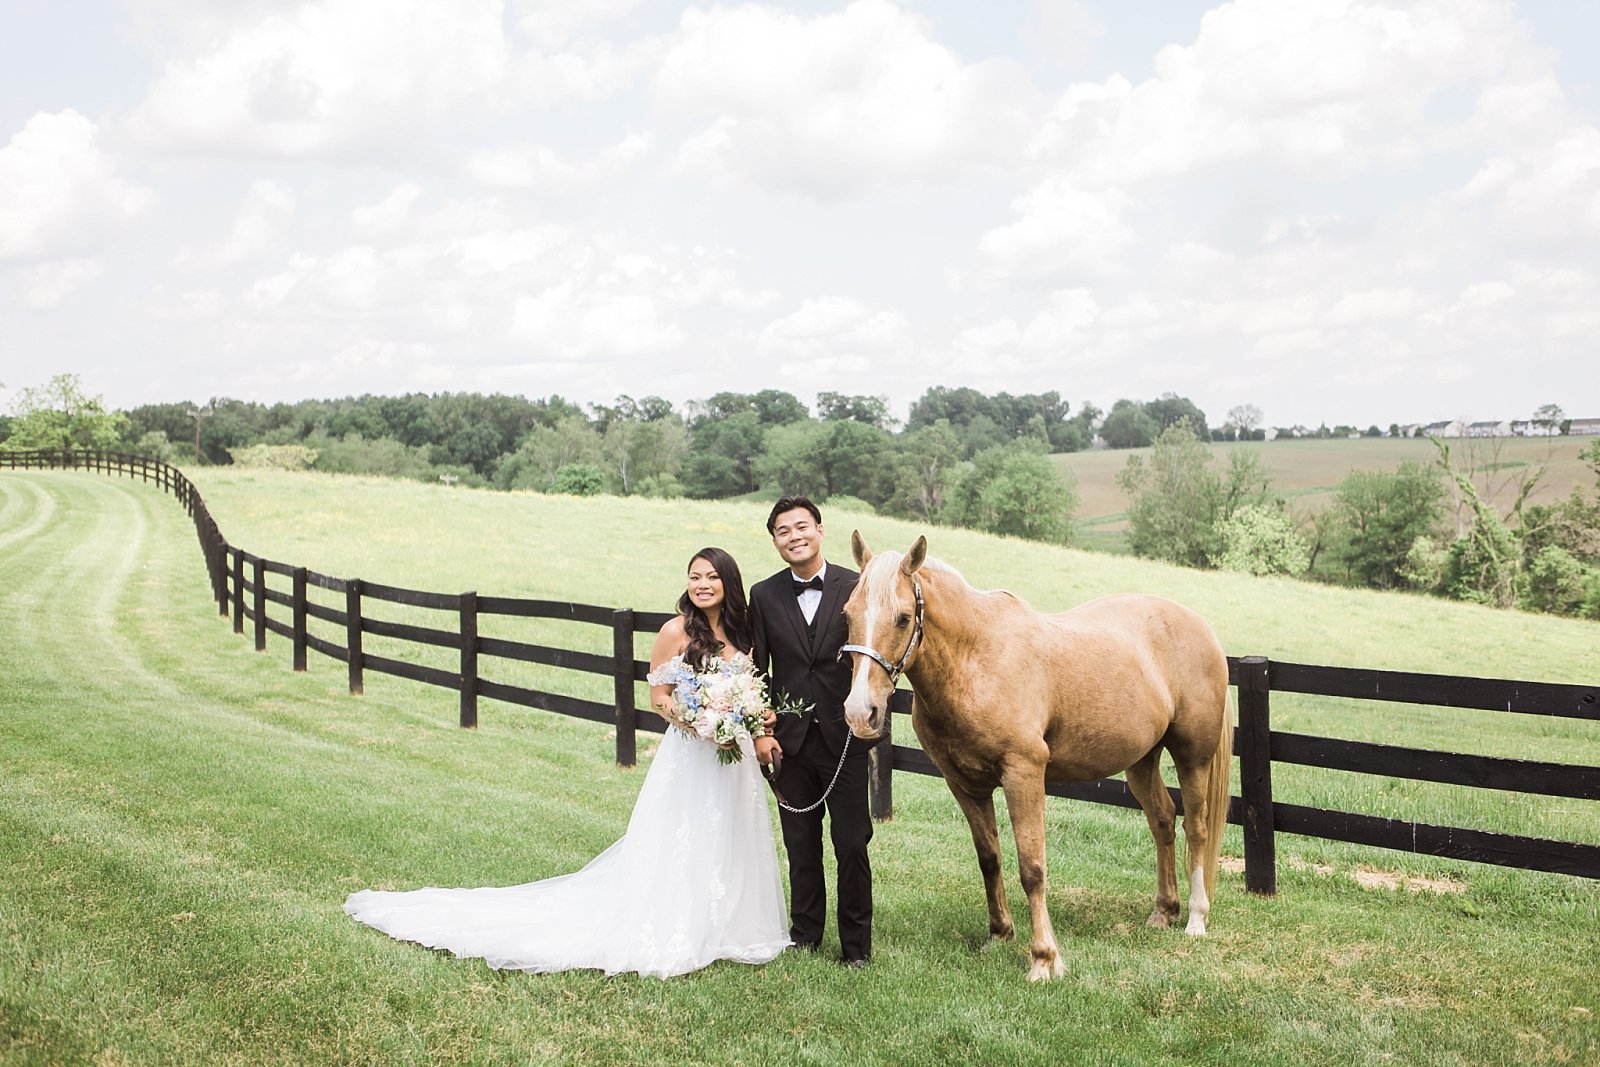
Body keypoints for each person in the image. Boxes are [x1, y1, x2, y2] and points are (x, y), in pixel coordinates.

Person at [344, 547, 790, 979]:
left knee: (733, 833)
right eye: (694, 577)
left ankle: (731, 927)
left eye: (712, 577)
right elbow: (658, 699)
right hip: (692, 753)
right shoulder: (675, 631)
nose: (702, 585)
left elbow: (753, 694)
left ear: (729, 582)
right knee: (683, 835)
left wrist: (755, 725)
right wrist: (700, 722)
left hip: (735, 760)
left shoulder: (746, 633)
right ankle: (679, 924)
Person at [748, 497, 875, 968]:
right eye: (783, 531)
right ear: (776, 541)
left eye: (802, 526)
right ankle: (805, 935)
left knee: (851, 843)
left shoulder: (855, 585)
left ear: (820, 530)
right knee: (801, 845)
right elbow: (756, 668)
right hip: (790, 741)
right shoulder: (763, 595)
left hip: (845, 738)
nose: (794, 536)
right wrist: (762, 732)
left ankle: (856, 948)